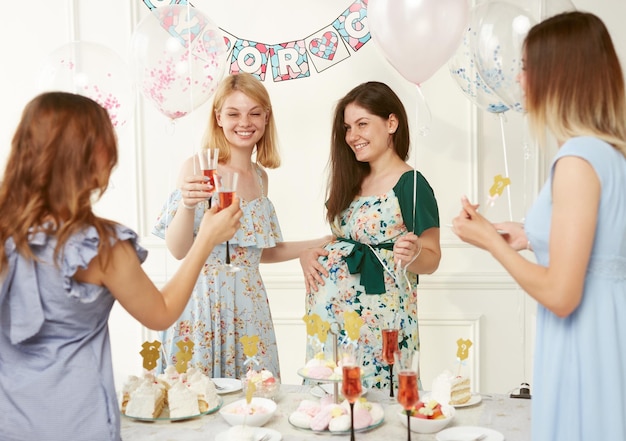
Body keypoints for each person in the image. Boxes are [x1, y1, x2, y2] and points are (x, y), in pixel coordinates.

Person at [0, 92, 242, 441]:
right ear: (90, 154)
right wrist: (205, 239)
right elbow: (160, 313)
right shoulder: (99, 245)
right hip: (78, 424)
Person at [452, 11, 626, 441]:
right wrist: (527, 235)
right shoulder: (608, 154)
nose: (519, 80)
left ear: (558, 75)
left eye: (527, 67)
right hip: (604, 337)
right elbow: (600, 247)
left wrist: (492, 242)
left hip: (585, 345)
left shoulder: (577, 161)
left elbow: (561, 295)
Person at [153, 72, 331, 380]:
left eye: (254, 113)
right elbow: (179, 249)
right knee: (198, 400)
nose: (244, 122)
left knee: (251, 401)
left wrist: (325, 239)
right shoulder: (197, 168)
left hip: (249, 308)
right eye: (233, 113)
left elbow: (260, 252)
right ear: (218, 117)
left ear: (266, 118)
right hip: (202, 302)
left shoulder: (261, 177)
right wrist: (186, 204)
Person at [299, 81, 441, 389]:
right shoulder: (351, 181)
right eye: (348, 127)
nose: (352, 136)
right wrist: (309, 255)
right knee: (332, 414)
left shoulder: (410, 184)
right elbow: (339, 241)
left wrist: (414, 254)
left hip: (381, 324)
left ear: (391, 123)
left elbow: (432, 258)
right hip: (332, 323)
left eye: (362, 124)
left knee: (377, 413)